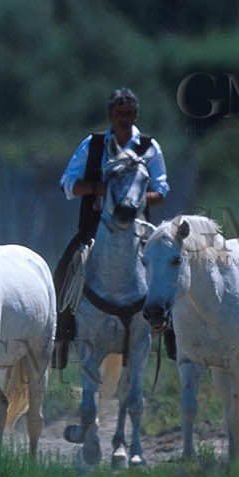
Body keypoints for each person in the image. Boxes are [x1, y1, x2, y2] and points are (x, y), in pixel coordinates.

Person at [52, 87, 168, 369]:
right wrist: (97, 189)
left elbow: (162, 188)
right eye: (119, 113)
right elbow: (68, 182)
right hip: (96, 225)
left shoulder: (149, 147)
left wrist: (138, 199)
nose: (124, 118)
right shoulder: (93, 145)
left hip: (138, 226)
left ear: (135, 115)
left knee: (168, 267)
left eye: (129, 113)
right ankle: (61, 333)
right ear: (110, 115)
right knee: (66, 266)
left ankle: (169, 330)